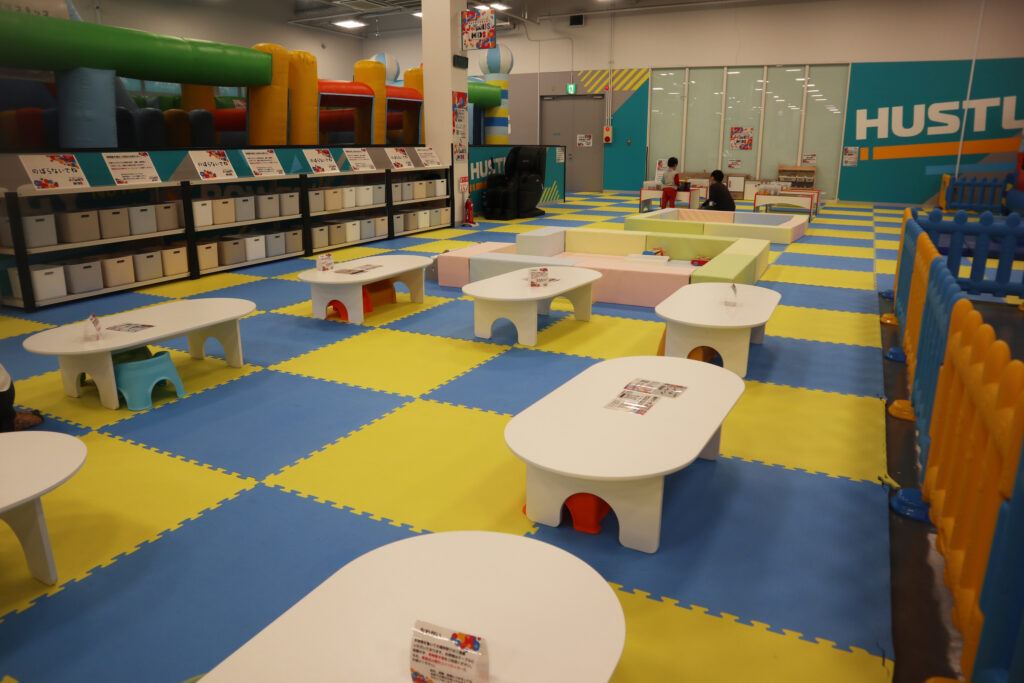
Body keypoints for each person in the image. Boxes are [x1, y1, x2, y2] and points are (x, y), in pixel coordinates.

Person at [0, 361, 43, 432]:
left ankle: (11, 419)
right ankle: (11, 417)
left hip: (4, 395)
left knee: (6, 423)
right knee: (7, 418)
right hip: (6, 389)